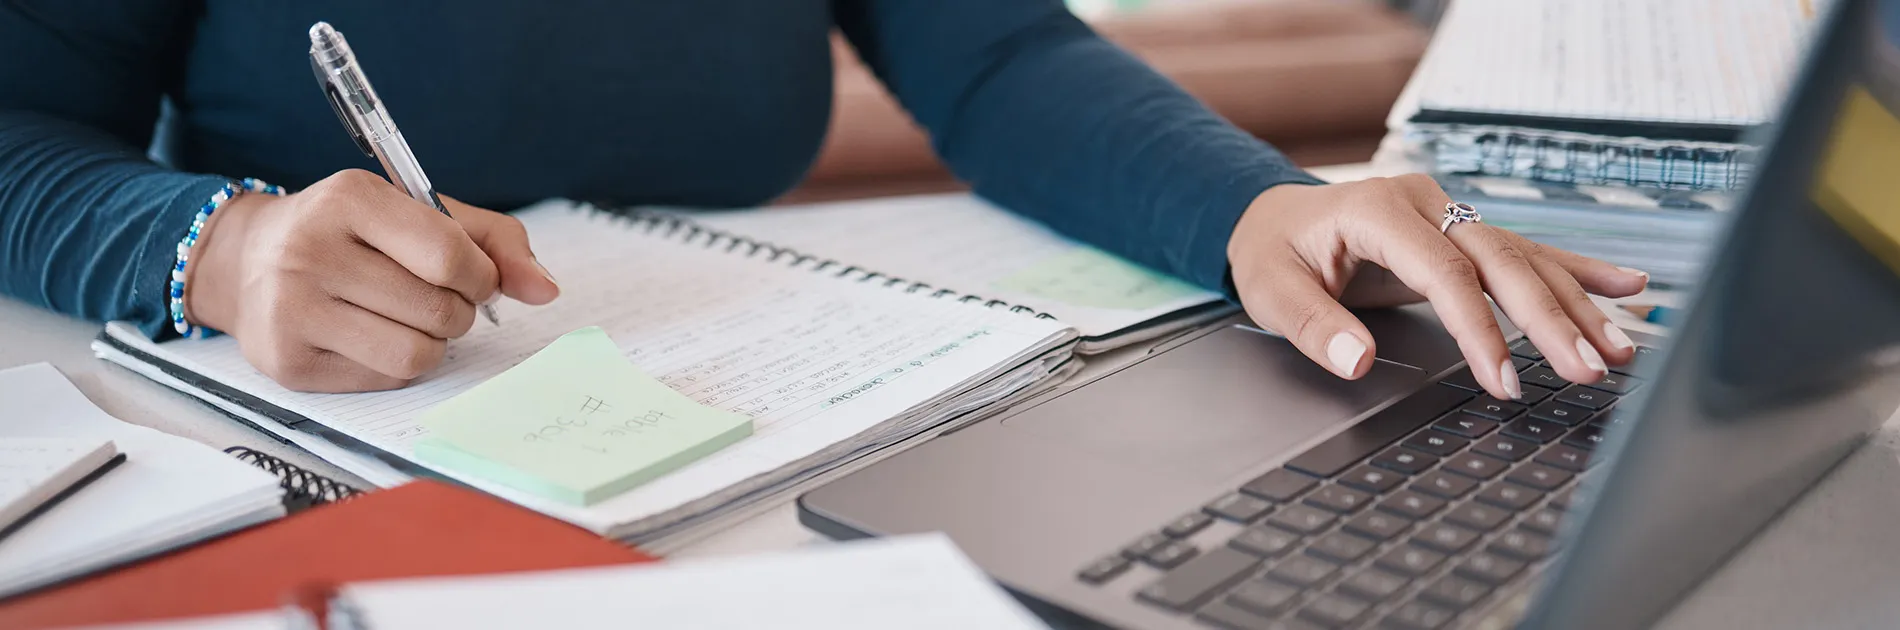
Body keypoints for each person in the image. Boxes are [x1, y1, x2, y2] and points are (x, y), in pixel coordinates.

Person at [0, 2, 1644, 399]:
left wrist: (1259, 208)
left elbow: (988, 53)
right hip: (349, 417)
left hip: (770, 401)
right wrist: (210, 245)